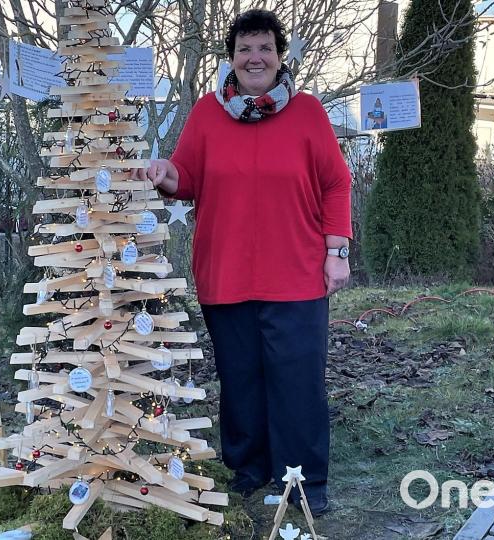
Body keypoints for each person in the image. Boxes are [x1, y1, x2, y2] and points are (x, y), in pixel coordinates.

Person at [132, 9, 351, 514]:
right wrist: (165, 172)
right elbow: (185, 176)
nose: (256, 57)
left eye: (265, 48)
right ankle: (249, 469)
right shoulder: (208, 114)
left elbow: (336, 183)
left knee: (297, 382)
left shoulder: (309, 113)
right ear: (231, 57)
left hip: (296, 274)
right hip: (226, 273)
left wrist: (336, 251)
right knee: (241, 379)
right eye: (245, 48)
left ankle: (303, 481)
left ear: (281, 56)